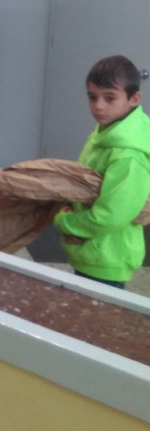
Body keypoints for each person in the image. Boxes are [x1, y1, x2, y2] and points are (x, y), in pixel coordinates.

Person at [53, 55, 150, 289]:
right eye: (92, 97)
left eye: (110, 98)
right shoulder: (105, 131)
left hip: (107, 255)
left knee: (97, 310)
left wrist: (65, 222)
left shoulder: (128, 156)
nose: (98, 106)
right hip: (91, 249)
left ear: (134, 99)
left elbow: (111, 215)